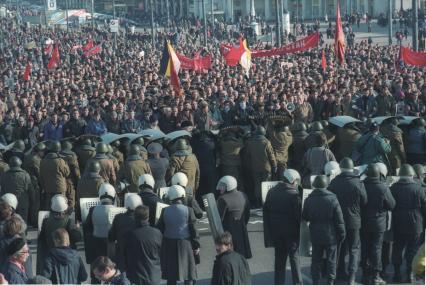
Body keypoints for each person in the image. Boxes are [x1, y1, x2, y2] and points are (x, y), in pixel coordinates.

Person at [327, 157, 367, 284]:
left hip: (338, 221)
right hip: (354, 220)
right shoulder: (358, 182)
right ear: (352, 168)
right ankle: (352, 277)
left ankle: (339, 273)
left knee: (340, 248)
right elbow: (364, 201)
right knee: (354, 249)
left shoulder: (334, 182)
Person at [302, 175, 346, 285]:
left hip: (315, 234)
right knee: (331, 260)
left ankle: (315, 281)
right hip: (330, 234)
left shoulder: (309, 199)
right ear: (326, 185)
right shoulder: (333, 199)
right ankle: (330, 281)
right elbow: (339, 219)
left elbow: (305, 216)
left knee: (316, 259)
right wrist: (342, 233)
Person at [263, 169, 303, 285]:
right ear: (293, 181)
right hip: (291, 233)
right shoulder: (294, 195)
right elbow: (298, 216)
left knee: (279, 260)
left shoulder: (272, 192)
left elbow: (266, 210)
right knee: (294, 258)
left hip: (276, 232)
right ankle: (298, 282)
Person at [390, 164, 426, 283]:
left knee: (397, 248)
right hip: (416, 224)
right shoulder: (419, 188)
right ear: (412, 175)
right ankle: (409, 274)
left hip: (398, 223)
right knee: (412, 250)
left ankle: (396, 274)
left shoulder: (393, 187)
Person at [361, 164, 396, 285]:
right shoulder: (383, 187)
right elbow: (392, 205)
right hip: (378, 223)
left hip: (363, 221)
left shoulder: (361, 185)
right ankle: (376, 276)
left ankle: (365, 274)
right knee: (376, 248)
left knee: (364, 246)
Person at [157, 185, 199, 285]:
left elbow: (160, 229)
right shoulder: (189, 210)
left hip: (169, 244)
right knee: (188, 273)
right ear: (182, 196)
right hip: (186, 243)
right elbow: (193, 230)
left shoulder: (164, 211)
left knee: (171, 275)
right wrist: (196, 245)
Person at [37, 194, 82, 274]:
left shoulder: (46, 221)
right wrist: (78, 229)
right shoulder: (69, 221)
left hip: (50, 255)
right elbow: (78, 238)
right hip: (67, 256)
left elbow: (42, 240)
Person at [83, 183, 116, 280]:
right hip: (112, 245)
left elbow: (87, 227)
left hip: (96, 243)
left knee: (96, 270)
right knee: (111, 270)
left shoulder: (93, 209)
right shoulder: (116, 210)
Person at [124, 205, 162, 285]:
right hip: (154, 274)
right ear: (148, 217)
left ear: (134, 217)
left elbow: (126, 255)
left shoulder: (129, 235)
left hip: (136, 276)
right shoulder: (157, 233)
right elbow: (161, 253)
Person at [216, 175, 252, 259]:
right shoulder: (243, 195)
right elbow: (247, 214)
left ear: (229, 186)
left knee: (229, 257)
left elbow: (219, 219)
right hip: (241, 230)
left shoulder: (222, 199)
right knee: (242, 257)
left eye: (223, 186)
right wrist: (242, 225)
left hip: (228, 232)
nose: (220, 188)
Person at [243, 126, 277, 207]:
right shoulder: (266, 142)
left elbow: (247, 156)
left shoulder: (250, 142)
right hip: (266, 168)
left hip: (255, 168)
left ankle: (258, 203)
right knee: (266, 185)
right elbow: (271, 156)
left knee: (257, 186)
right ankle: (265, 203)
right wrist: (274, 166)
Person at [108, 193, 142, 271]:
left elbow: (111, 237)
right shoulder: (140, 220)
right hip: (137, 256)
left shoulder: (118, 218)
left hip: (121, 255)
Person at [0, 156, 33, 224]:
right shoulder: (25, 175)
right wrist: (32, 200)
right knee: (23, 221)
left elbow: (2, 189)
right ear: (20, 164)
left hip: (8, 203)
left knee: (9, 221)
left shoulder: (4, 175)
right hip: (22, 202)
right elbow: (30, 189)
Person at [39, 141, 70, 210]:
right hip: (60, 189)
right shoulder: (60, 161)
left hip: (48, 188)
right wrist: (66, 163)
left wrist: (44, 187)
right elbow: (67, 173)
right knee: (61, 207)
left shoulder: (43, 161)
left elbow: (41, 176)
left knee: (50, 207)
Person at [22, 142, 46, 227]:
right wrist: (43, 186)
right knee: (36, 203)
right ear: (38, 151)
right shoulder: (36, 159)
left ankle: (29, 219)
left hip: (26, 181)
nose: (43, 153)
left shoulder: (27, 157)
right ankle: (34, 221)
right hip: (34, 183)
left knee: (30, 202)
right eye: (42, 151)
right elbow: (39, 174)